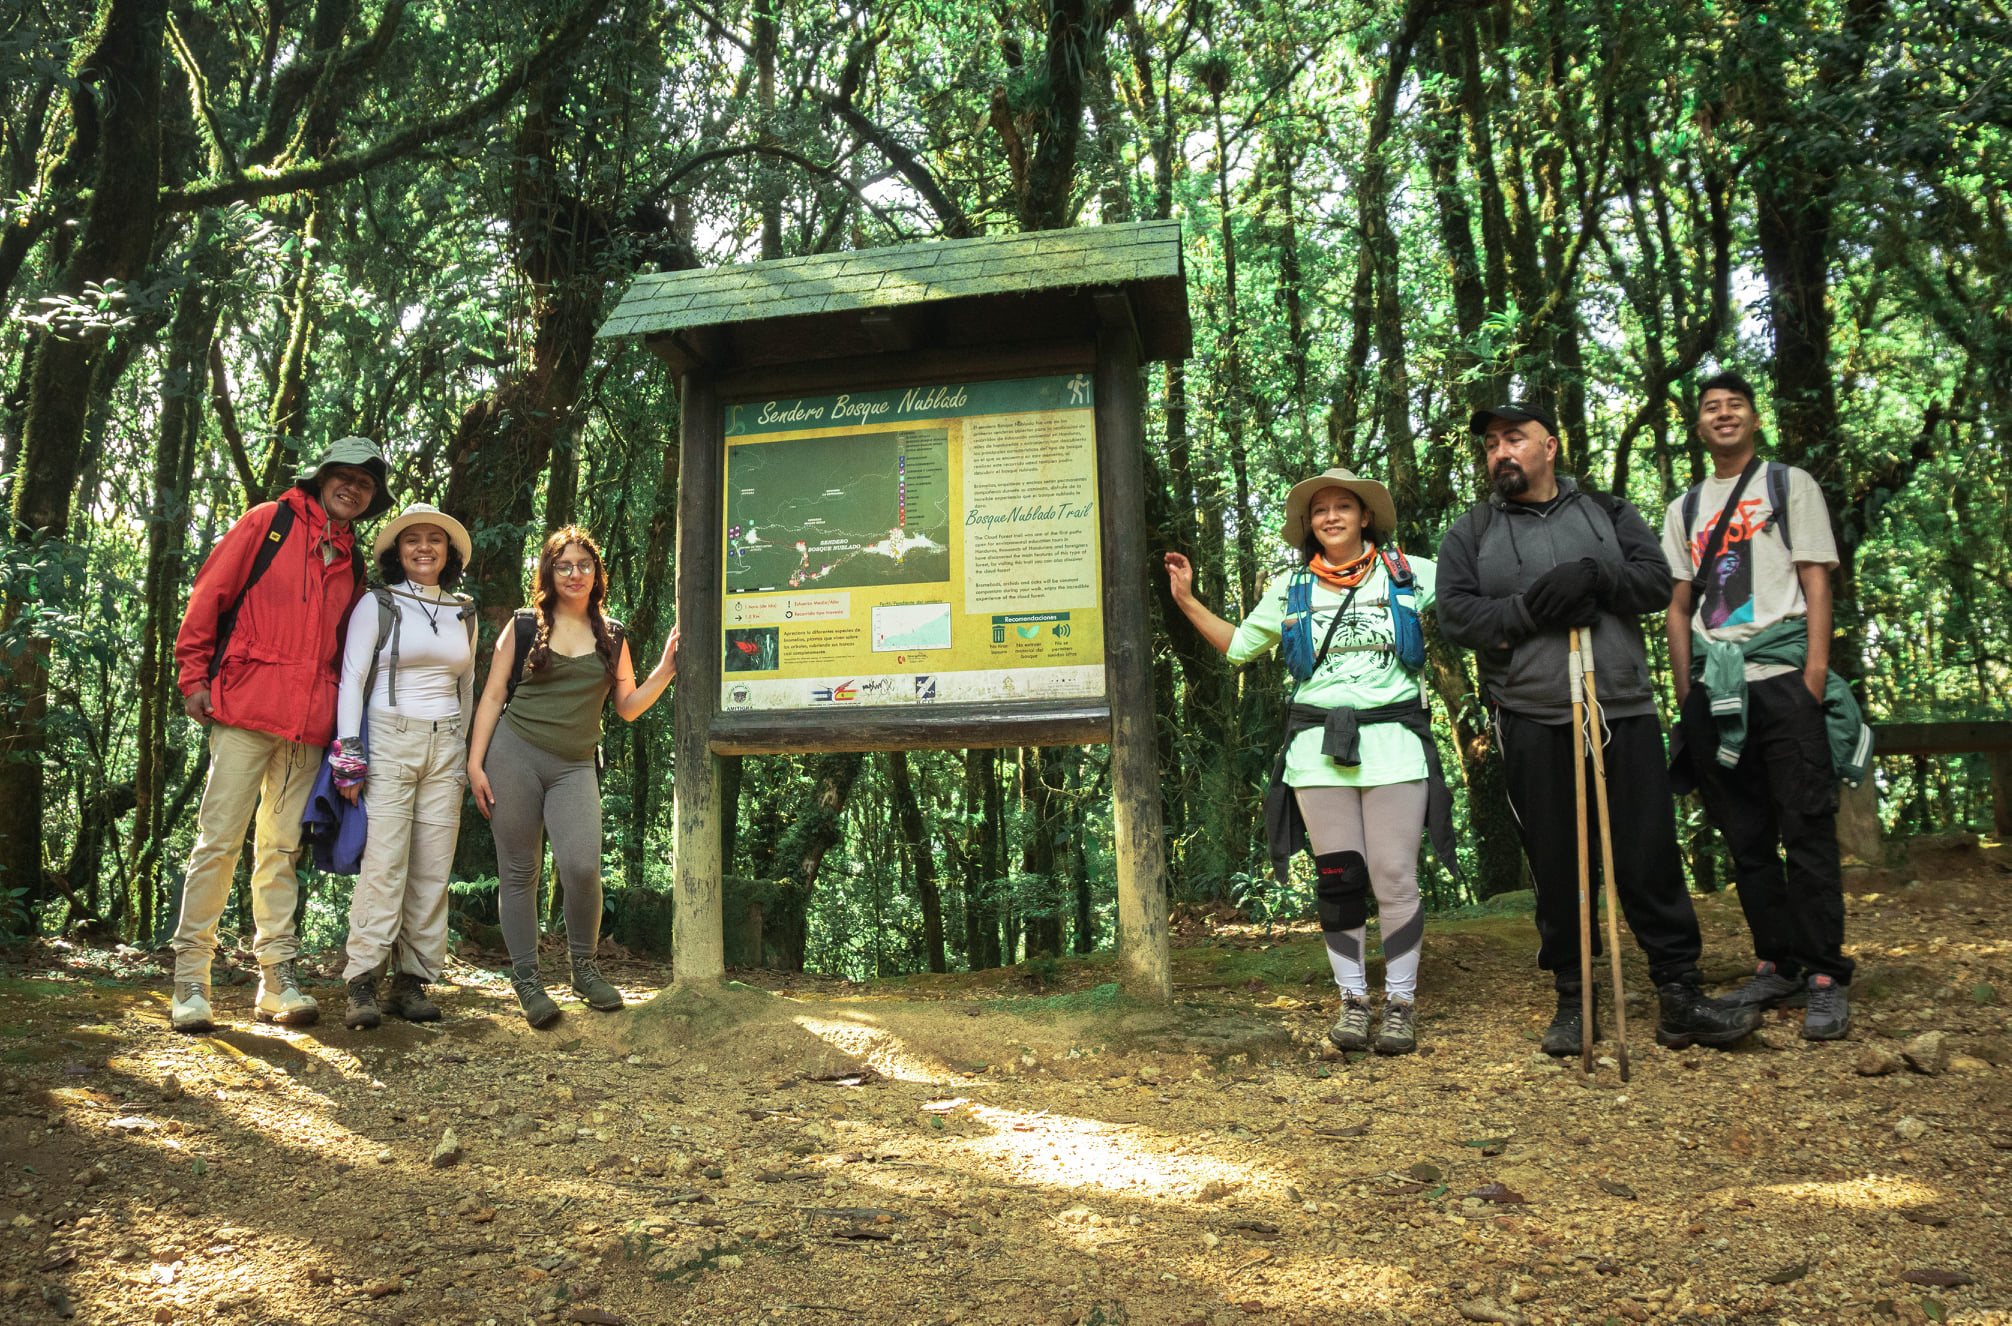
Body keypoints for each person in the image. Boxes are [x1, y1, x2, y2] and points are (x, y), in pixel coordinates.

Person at [1435, 402, 1761, 1054]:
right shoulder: (1470, 532)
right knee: (1556, 861)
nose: (1501, 451)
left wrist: (1594, 576)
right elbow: (1458, 617)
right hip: (1532, 713)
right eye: (1491, 443)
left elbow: (1656, 582)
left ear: (1548, 446)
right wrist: (1531, 607)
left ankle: (1680, 994)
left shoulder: (1607, 513)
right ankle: (1574, 1000)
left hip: (1621, 707)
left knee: (1647, 852)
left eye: (1514, 438)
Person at [1166, 469, 1455, 1055]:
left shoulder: (1410, 572)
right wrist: (1188, 600)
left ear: (1365, 515)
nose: (1330, 516)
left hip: (1395, 743)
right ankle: (1353, 1001)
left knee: (1395, 877)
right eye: (1319, 510)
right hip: (1317, 751)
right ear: (1309, 525)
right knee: (1339, 878)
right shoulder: (1291, 587)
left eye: (1343, 506)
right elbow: (1241, 646)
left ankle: (1401, 1003)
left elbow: (1472, 600)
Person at [1662, 372, 1864, 1040]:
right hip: (1716, 690)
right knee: (1746, 836)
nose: (1723, 415)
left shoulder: (1788, 484)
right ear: (1699, 426)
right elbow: (1680, 602)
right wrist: (1685, 689)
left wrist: (1813, 672)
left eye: (1734, 406)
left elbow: (1815, 576)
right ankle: (1777, 961)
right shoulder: (1686, 506)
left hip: (1782, 677)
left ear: (1753, 418)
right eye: (1711, 408)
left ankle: (1826, 972)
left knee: (1805, 825)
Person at [168, 437, 393, 1033]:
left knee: (281, 850)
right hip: (245, 707)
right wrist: (193, 674)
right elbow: (208, 595)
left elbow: (348, 655)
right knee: (218, 841)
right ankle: (191, 978)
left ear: (372, 499)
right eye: (342, 476)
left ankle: (276, 979)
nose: (352, 487)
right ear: (321, 479)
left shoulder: (353, 559)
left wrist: (347, 735)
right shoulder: (268, 524)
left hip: (309, 726)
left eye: (364, 483)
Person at [466, 527, 678, 1028]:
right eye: (564, 565)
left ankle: (583, 967)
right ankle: (528, 980)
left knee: (581, 867)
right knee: (520, 872)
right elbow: (493, 696)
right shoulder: (523, 626)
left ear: (597, 574)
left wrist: (666, 669)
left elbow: (626, 707)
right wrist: (475, 765)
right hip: (512, 756)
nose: (575, 573)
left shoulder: (614, 635)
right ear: (549, 572)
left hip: (575, 765)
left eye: (584, 564)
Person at [331, 503, 478, 1030]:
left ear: (449, 552)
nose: (423, 547)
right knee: (385, 862)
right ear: (397, 552)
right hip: (390, 738)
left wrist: (464, 754)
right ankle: (362, 980)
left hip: (446, 747)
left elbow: (466, 686)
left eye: (434, 540)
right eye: (412, 539)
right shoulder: (379, 603)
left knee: (433, 866)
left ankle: (412, 983)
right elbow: (352, 677)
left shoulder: (464, 610)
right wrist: (349, 752)